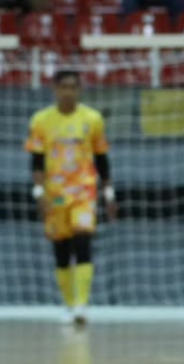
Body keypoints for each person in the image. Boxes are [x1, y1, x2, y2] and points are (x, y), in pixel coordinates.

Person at [25, 70, 117, 326]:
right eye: (63, 87)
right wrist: (39, 193)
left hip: (84, 191)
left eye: (73, 87)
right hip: (55, 195)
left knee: (82, 240)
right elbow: (36, 161)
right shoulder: (41, 121)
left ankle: (81, 305)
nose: (68, 91)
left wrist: (109, 193)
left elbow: (102, 158)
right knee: (62, 250)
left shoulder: (92, 119)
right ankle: (68, 304)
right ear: (55, 89)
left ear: (79, 89)